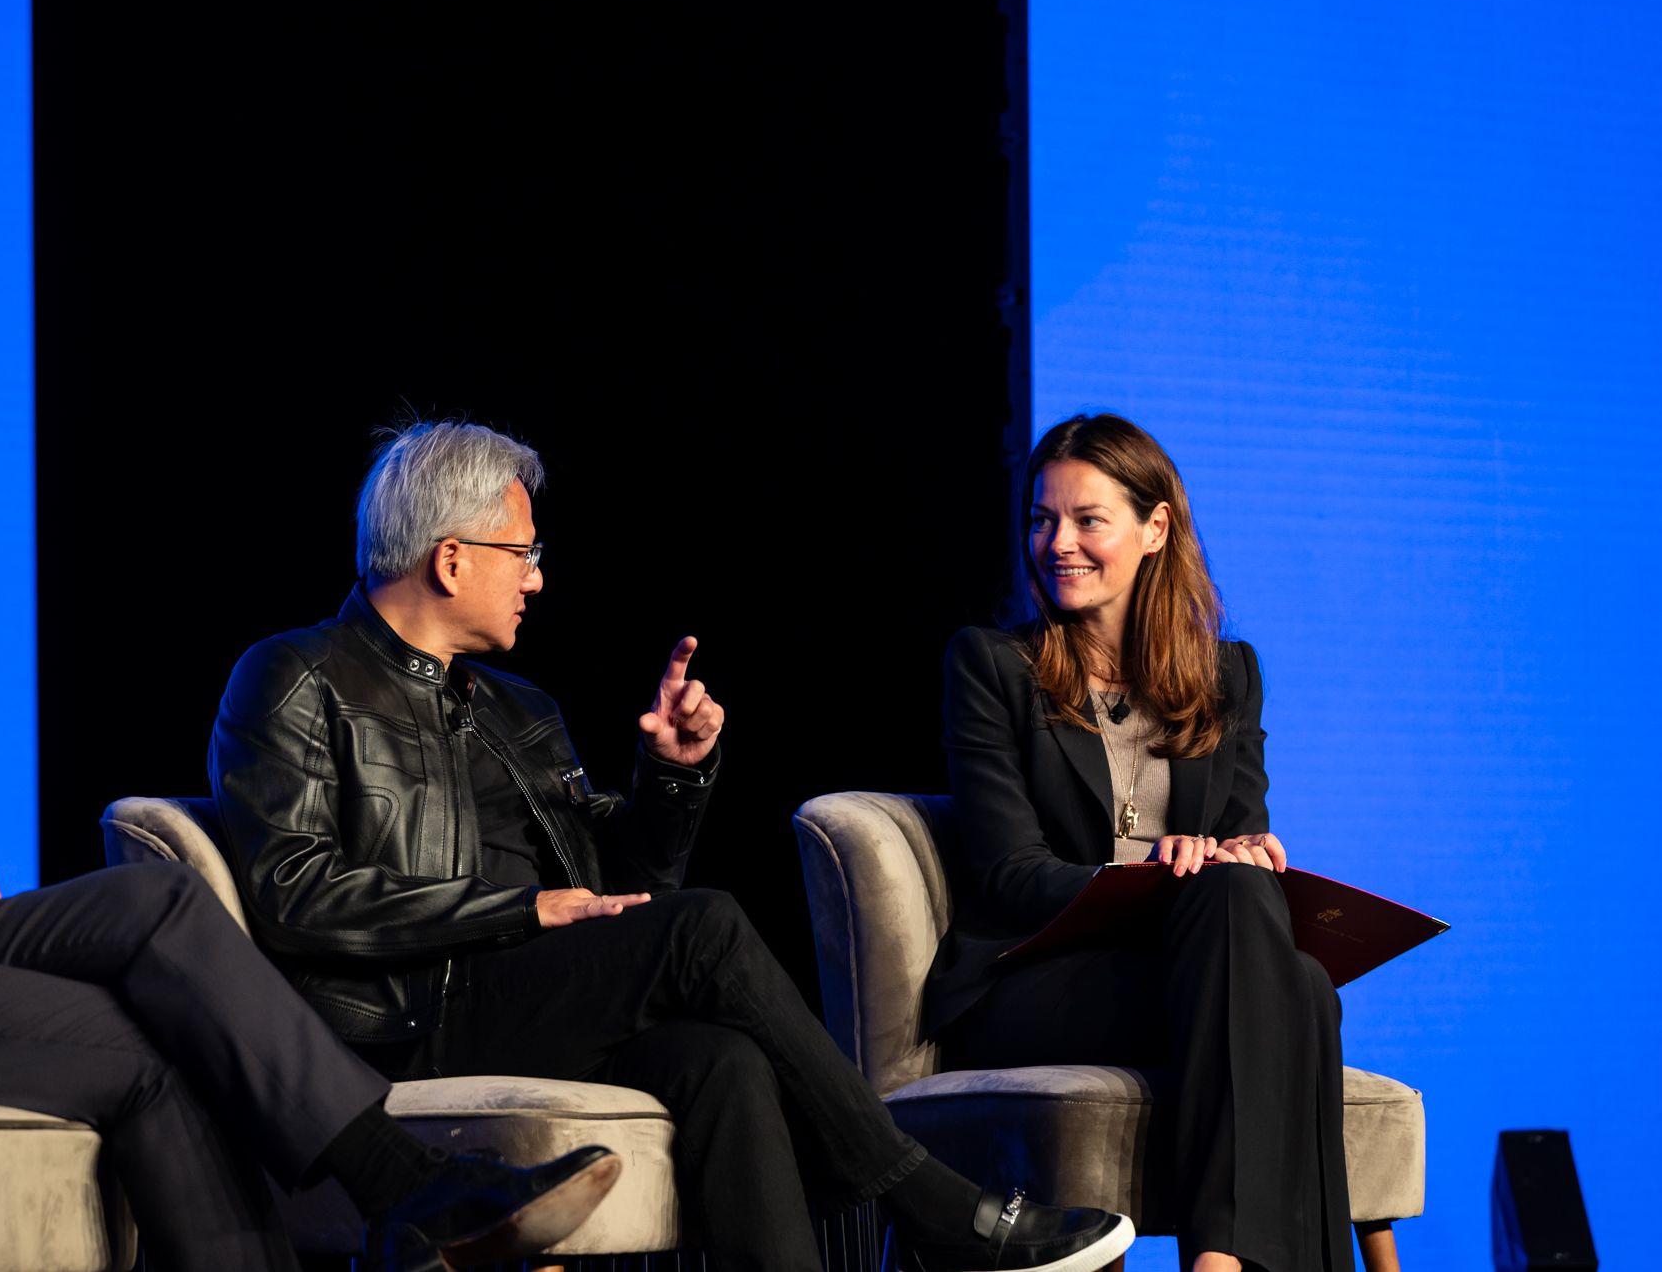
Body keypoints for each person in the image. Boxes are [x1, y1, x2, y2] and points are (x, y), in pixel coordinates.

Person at [209, 419, 1138, 1272]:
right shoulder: (296, 676)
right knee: (710, 928)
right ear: (451, 559)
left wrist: (673, 774)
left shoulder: (517, 708)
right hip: (399, 1018)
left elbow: (632, 894)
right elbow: (293, 892)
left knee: (719, 1060)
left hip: (530, 998)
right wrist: (520, 907)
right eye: (523, 553)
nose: (537, 577)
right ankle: (929, 1200)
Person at [0, 470, 622, 1271]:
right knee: (163, 1047)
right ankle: (404, 1184)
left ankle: (405, 1188)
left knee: (158, 904)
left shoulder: (516, 705)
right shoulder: (294, 673)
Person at [927, 414, 1353, 1272]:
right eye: (1043, 520)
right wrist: (1149, 875)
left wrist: (1247, 853)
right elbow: (1009, 875)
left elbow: (1234, 837)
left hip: (1188, 970)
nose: (1059, 543)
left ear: (1155, 529)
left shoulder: (1228, 676)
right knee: (1290, 986)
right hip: (1037, 979)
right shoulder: (994, 666)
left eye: (1089, 520)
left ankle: (1222, 1261)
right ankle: (1232, 1262)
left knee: (1283, 951)